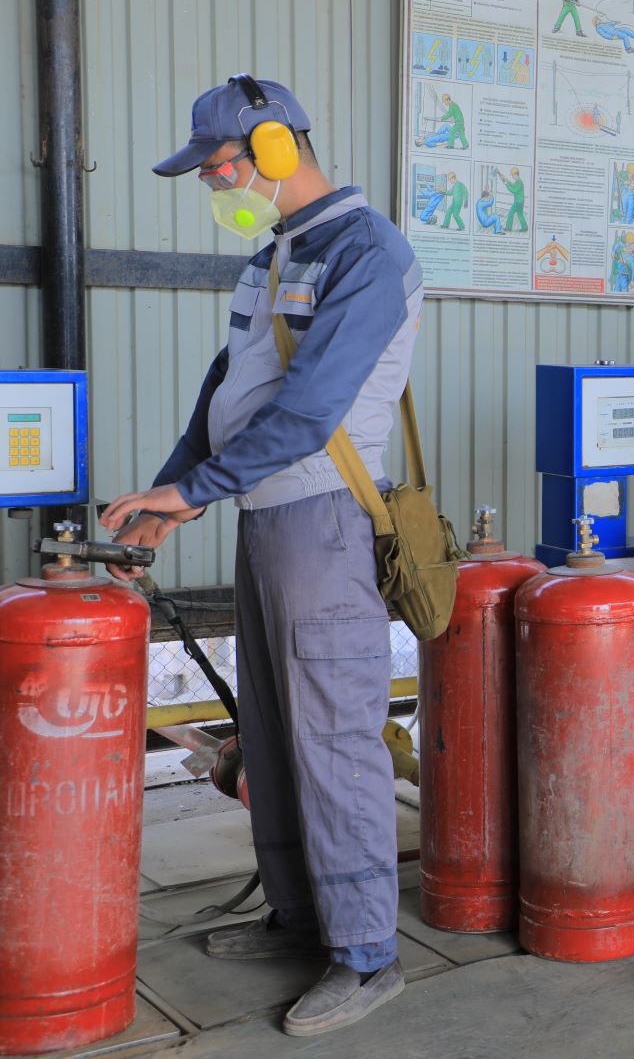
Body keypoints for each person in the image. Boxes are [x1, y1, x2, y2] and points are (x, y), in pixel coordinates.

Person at [99, 75, 422, 1035]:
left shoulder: (369, 253)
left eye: (218, 167)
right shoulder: (274, 253)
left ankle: (366, 955)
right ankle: (299, 916)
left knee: (333, 740)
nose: (213, 185)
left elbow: (311, 408)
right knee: (275, 735)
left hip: (321, 521)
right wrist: (170, 494)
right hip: (264, 516)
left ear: (277, 148)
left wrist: (195, 492)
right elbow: (226, 388)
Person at [498, 167, 528, 232]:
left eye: (512, 175)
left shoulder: (519, 183)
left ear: (516, 174)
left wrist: (505, 183)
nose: (512, 176)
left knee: (511, 213)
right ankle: (525, 227)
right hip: (521, 201)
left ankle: (508, 228)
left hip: (518, 201)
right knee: (520, 213)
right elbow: (512, 184)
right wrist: (505, 179)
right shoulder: (518, 181)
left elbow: (513, 190)